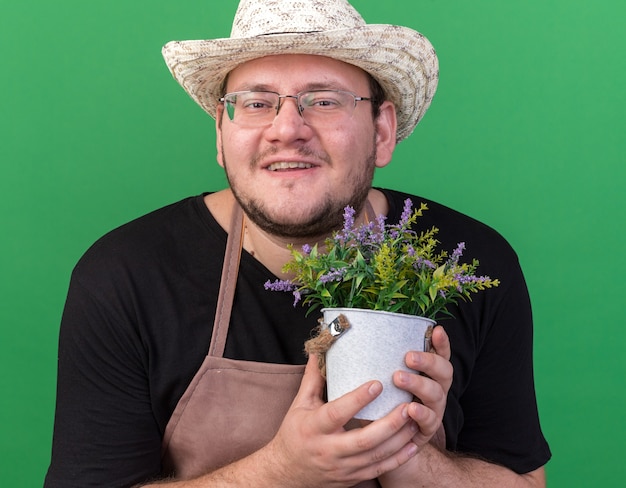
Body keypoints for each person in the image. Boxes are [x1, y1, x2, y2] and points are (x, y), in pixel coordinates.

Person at [44, 0, 551, 486]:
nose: (287, 129)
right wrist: (281, 472)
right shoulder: (126, 276)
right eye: (256, 102)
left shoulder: (473, 262)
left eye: (324, 100)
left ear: (383, 130)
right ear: (220, 135)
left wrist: (408, 458)